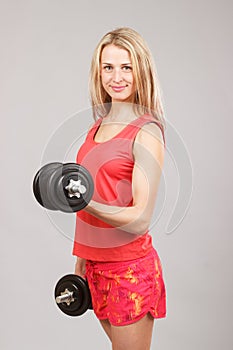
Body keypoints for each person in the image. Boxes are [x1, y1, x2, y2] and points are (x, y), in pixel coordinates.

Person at [73, 27, 166, 350]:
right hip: (94, 267)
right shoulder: (96, 128)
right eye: (108, 67)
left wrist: (84, 202)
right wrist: (81, 262)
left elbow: (140, 219)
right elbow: (96, 193)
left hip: (129, 269)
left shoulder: (147, 132)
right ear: (98, 73)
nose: (117, 77)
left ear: (141, 70)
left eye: (126, 67)